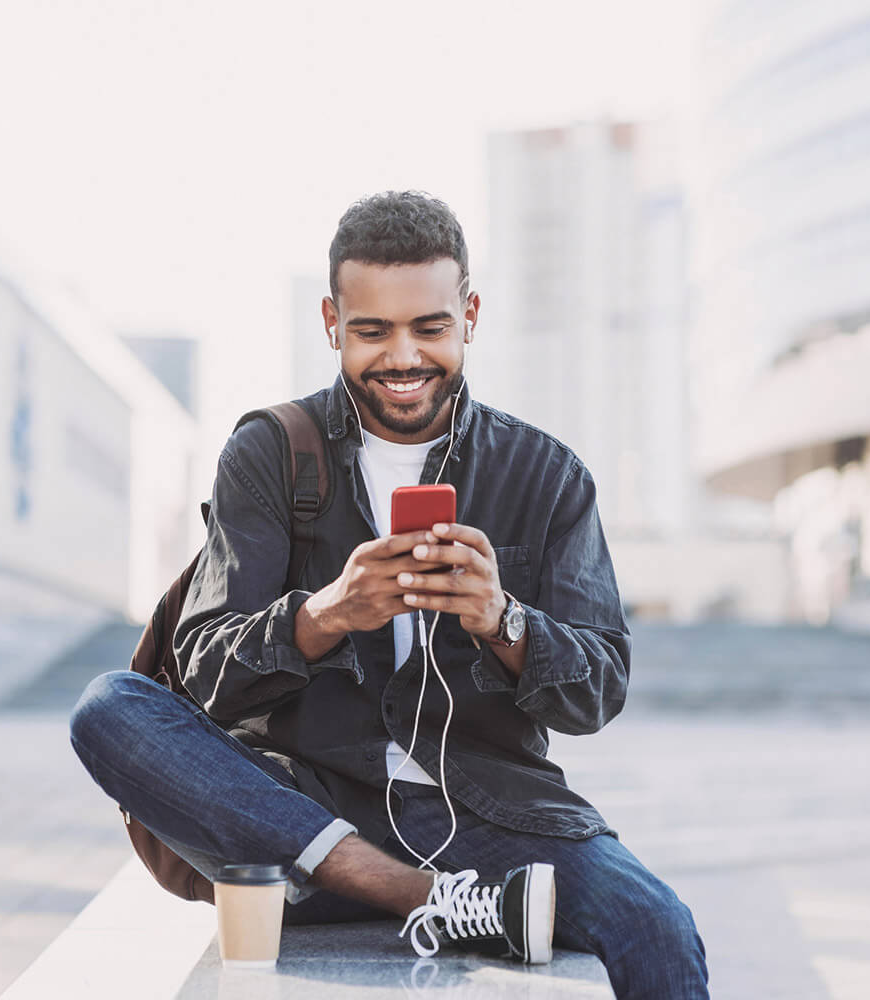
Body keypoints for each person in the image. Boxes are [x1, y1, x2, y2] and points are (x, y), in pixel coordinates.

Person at [70, 191, 709, 998]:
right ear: (332, 322)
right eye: (372, 331)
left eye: (430, 328)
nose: (403, 358)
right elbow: (200, 670)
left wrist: (501, 620)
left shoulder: (545, 476)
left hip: (492, 819)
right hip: (301, 824)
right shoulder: (269, 452)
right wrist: (327, 614)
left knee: (658, 926)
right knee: (107, 708)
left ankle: (468, 898)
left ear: (469, 314)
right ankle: (435, 903)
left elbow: (599, 690)